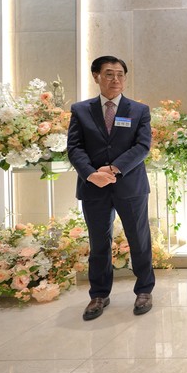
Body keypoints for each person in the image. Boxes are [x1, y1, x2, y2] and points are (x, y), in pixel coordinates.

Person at [67, 55, 155, 321]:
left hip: (130, 186)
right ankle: (99, 295)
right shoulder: (80, 110)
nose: (115, 79)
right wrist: (91, 174)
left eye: (120, 74)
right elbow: (74, 147)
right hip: (93, 186)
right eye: (109, 74)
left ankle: (144, 291)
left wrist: (114, 169)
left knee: (139, 240)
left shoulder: (139, 110)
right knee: (98, 243)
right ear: (96, 76)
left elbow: (142, 146)